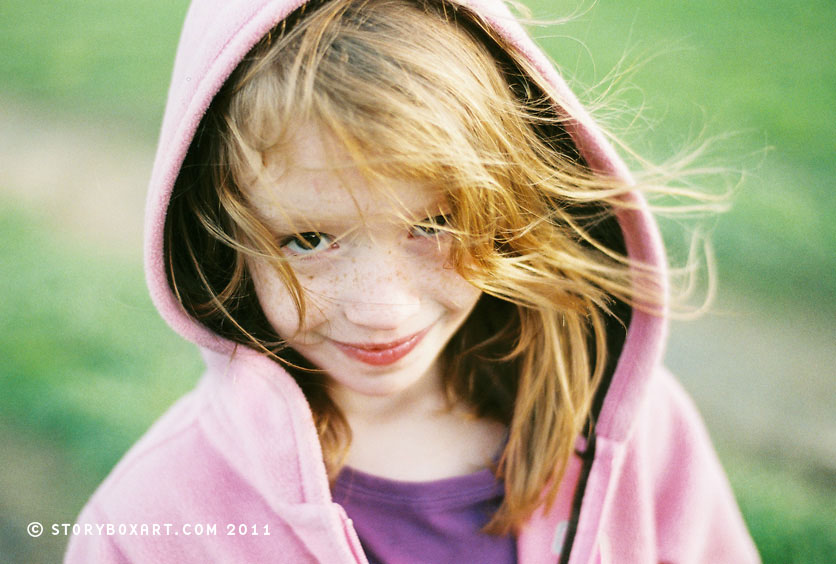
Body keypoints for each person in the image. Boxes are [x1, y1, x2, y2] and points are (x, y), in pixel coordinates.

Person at [65, 0, 760, 562]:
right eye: (308, 240)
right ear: (221, 243)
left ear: (510, 203)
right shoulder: (151, 523)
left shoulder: (634, 431)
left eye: (435, 223)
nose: (382, 310)